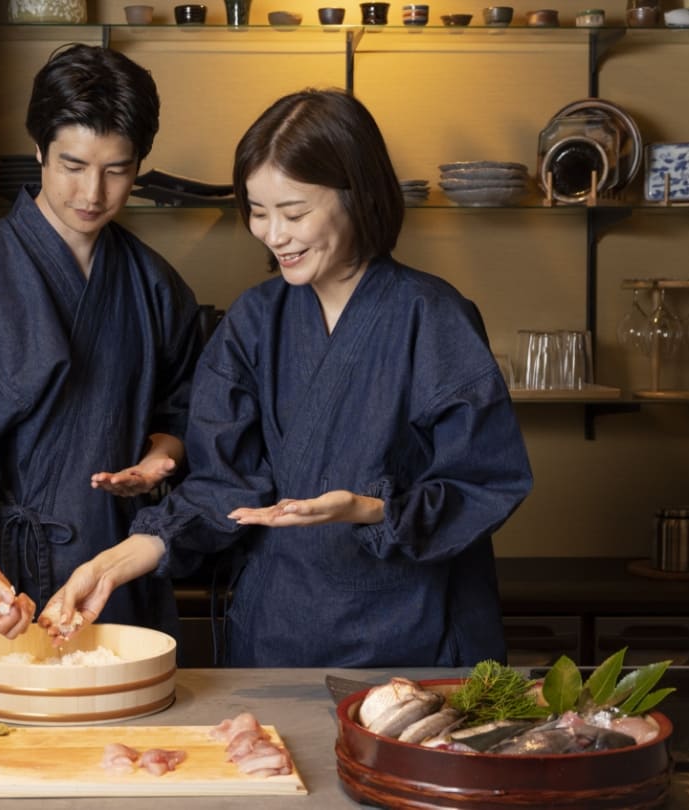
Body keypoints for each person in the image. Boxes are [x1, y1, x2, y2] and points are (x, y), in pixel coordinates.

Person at [40, 89, 533, 667]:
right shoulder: (254, 320)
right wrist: (111, 563)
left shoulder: (432, 317)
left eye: (295, 213)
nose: (274, 235)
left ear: (358, 196)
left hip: (413, 633)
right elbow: (224, 485)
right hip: (280, 630)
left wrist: (369, 509)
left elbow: (485, 482)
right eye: (257, 211)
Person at [0, 44, 205, 666]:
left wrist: (157, 462)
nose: (93, 192)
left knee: (123, 745)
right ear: (37, 150)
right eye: (72, 164)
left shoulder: (155, 285)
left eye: (117, 170)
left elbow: (186, 421)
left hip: (112, 571)